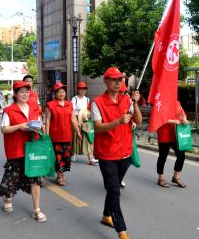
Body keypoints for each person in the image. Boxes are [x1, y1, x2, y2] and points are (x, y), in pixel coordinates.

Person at [91, 67, 142, 239]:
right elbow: (97, 127)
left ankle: (106, 215)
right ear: (105, 81)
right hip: (106, 154)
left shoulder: (126, 99)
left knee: (113, 188)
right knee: (114, 190)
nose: (118, 82)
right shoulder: (97, 102)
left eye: (120, 79)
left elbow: (138, 121)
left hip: (125, 153)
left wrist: (135, 103)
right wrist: (118, 121)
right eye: (114, 79)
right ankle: (121, 230)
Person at [0, 81, 47, 223]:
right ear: (15, 94)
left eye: (26, 91)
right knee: (12, 177)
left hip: (33, 148)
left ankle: (37, 210)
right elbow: (4, 129)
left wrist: (37, 127)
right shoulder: (9, 110)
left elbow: (40, 125)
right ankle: (7, 197)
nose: (24, 94)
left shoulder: (35, 108)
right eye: (21, 92)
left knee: (35, 179)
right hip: (16, 148)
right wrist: (20, 126)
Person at [45, 82, 82, 186]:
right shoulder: (50, 105)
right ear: (55, 93)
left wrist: (78, 132)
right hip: (55, 136)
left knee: (65, 157)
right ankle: (59, 177)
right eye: (59, 92)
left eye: (63, 91)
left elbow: (73, 119)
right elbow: (47, 121)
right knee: (58, 158)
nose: (62, 94)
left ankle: (60, 174)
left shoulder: (69, 104)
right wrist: (47, 136)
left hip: (67, 136)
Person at [156, 101, 188, 188]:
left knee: (181, 155)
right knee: (163, 157)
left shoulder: (177, 102)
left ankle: (176, 177)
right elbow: (159, 118)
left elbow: (182, 112)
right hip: (164, 134)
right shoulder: (160, 102)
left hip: (176, 134)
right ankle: (160, 178)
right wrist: (173, 121)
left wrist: (184, 119)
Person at [71, 81, 98, 165]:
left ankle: (90, 158)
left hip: (85, 120)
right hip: (76, 119)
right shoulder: (74, 99)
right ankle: (72, 153)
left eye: (84, 89)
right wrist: (76, 122)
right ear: (78, 89)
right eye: (81, 89)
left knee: (87, 137)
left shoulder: (87, 99)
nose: (82, 90)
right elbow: (72, 111)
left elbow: (89, 110)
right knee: (75, 137)